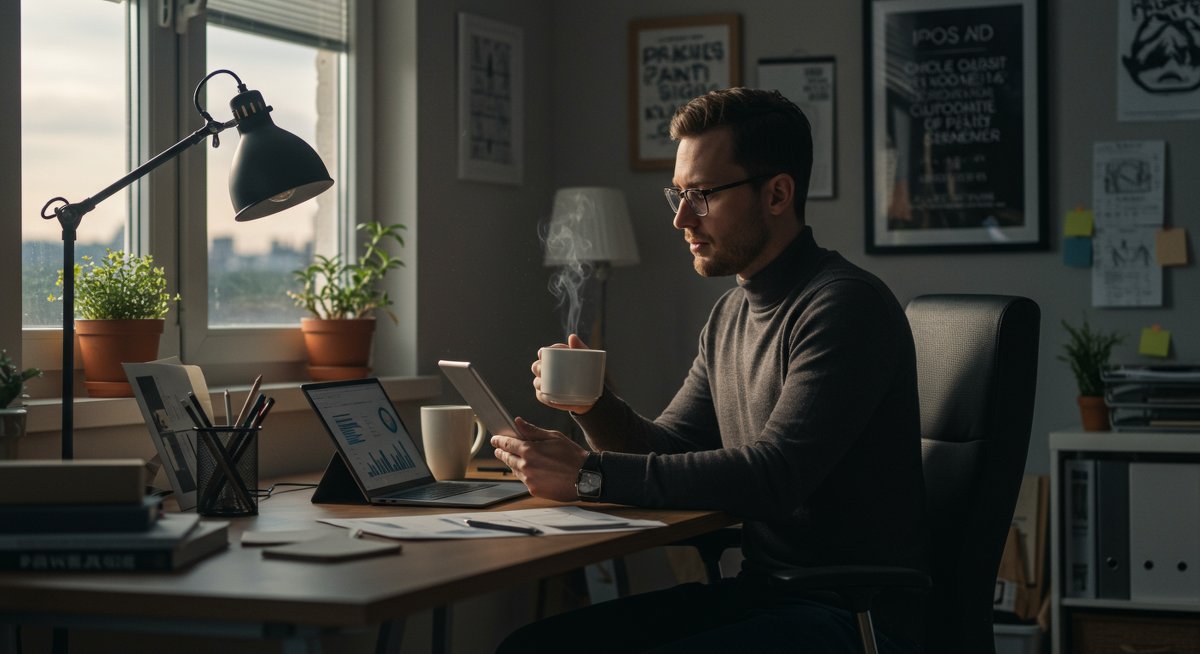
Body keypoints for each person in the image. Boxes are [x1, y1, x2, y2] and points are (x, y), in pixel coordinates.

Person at [492, 87, 927, 653]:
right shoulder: (731, 314)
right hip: (768, 595)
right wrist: (594, 405)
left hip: (850, 617)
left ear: (777, 194)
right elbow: (671, 446)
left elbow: (775, 477)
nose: (679, 217)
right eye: (677, 193)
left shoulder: (844, 307)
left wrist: (589, 474)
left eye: (701, 195)